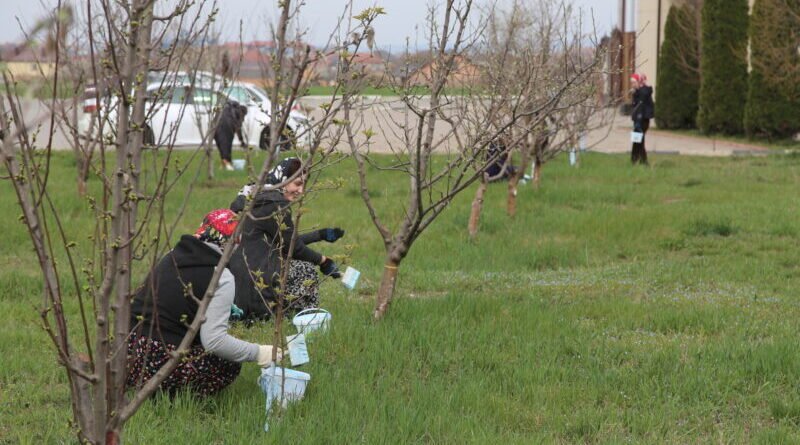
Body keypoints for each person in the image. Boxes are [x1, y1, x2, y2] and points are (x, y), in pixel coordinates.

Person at [127, 209, 282, 397]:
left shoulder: (171, 255)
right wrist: (258, 352)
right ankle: (173, 397)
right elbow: (214, 341)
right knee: (228, 363)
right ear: (233, 244)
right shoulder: (220, 276)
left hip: (128, 353)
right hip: (159, 365)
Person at [229, 157, 344, 320]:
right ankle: (303, 319)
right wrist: (324, 261)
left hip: (236, 284)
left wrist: (320, 235)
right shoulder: (275, 204)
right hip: (253, 288)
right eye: (297, 183)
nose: (301, 191)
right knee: (305, 270)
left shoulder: (256, 196)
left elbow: (283, 242)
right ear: (283, 180)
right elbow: (293, 248)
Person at [214, 100, 248, 171]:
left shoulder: (226, 109)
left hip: (215, 128)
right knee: (227, 147)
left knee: (222, 147)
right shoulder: (238, 113)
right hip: (227, 128)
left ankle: (224, 165)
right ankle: (228, 166)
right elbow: (238, 128)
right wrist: (241, 141)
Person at [630, 73, 654, 165]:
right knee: (636, 139)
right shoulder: (637, 91)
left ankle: (643, 160)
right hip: (637, 119)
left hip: (643, 119)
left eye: (634, 82)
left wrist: (636, 92)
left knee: (640, 139)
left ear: (639, 81)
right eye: (631, 83)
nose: (632, 84)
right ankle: (635, 159)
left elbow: (642, 99)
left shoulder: (644, 91)